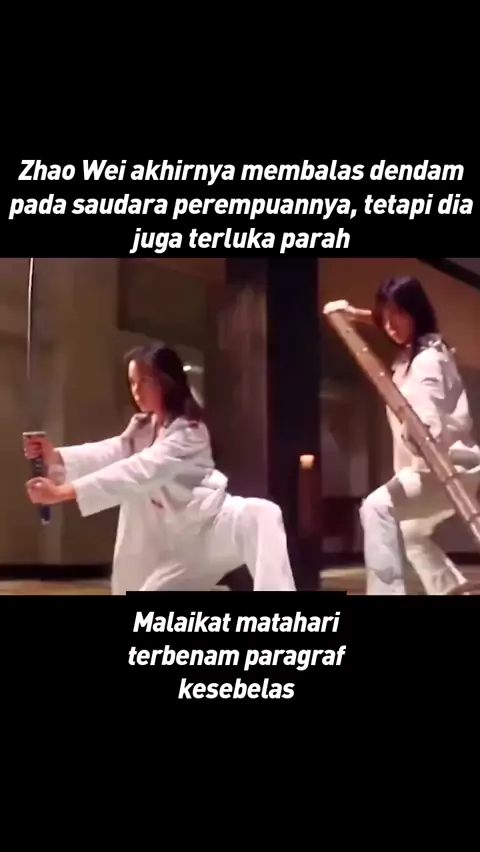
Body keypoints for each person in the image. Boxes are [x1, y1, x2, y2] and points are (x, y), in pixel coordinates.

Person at [24, 344, 296, 594]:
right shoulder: (143, 428)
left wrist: (62, 492)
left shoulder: (190, 431)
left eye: (144, 381)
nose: (136, 390)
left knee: (261, 514)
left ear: (166, 382)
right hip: (182, 550)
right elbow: (111, 452)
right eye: (132, 382)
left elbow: (140, 469)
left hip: (213, 525)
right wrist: (55, 457)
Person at [323, 276, 480, 595]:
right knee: (410, 533)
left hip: (442, 471)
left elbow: (428, 415)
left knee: (376, 508)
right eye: (385, 315)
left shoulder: (425, 362)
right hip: (453, 469)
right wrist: (355, 314)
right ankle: (450, 588)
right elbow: (390, 323)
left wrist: (421, 430)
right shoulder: (427, 347)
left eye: (399, 313)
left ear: (416, 312)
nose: (390, 324)